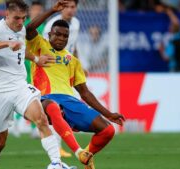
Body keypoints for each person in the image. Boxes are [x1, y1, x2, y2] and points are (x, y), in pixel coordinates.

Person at [0, 1, 77, 169]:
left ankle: (56, 164)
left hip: (19, 86)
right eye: (16, 18)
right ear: (7, 15)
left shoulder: (21, 28)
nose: (20, 22)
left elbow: (23, 47)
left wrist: (37, 59)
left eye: (23, 18)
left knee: (41, 119)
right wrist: (6, 43)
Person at [26, 1, 125, 169]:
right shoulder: (39, 46)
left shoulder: (73, 61)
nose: (61, 38)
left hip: (69, 101)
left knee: (108, 131)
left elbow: (85, 93)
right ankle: (78, 151)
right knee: (53, 107)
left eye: (65, 36)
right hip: (44, 99)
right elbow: (29, 29)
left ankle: (86, 156)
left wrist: (108, 114)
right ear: (49, 34)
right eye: (57, 34)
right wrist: (52, 10)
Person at [43, 0, 80, 157]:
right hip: (52, 71)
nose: (70, 10)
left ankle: (61, 141)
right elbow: (43, 47)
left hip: (67, 68)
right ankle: (56, 146)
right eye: (67, 7)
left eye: (73, 7)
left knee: (71, 104)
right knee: (56, 108)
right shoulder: (52, 25)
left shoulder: (76, 24)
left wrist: (79, 64)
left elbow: (73, 47)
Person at [13, 0, 46, 139]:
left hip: (39, 64)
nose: (36, 13)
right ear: (30, 12)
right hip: (25, 63)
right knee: (27, 94)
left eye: (39, 11)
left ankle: (33, 127)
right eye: (34, 10)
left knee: (35, 95)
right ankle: (16, 123)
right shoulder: (24, 26)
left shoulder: (45, 26)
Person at [158, 8, 180, 72]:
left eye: (171, 26)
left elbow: (166, 57)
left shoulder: (173, 41)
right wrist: (170, 14)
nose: (169, 27)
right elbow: (177, 23)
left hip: (175, 68)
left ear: (173, 28)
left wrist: (161, 49)